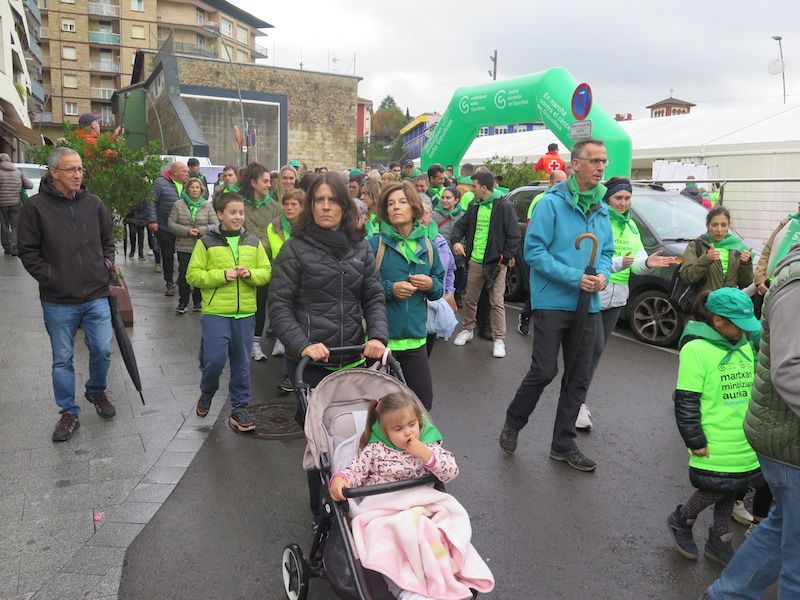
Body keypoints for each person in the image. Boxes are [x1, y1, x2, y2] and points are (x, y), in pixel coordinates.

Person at [268, 173, 388, 519]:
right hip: (311, 364)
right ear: (310, 206)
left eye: (332, 200)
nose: (325, 207)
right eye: (318, 200)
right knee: (322, 445)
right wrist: (302, 344)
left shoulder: (360, 248)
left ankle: (356, 504)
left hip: (351, 359)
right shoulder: (295, 248)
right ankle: (321, 512)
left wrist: (377, 336)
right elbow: (279, 307)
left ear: (344, 206)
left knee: (356, 436)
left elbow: (373, 298)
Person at [498, 138, 614, 472]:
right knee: (545, 370)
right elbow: (534, 252)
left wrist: (603, 276)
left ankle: (563, 444)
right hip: (552, 302)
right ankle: (513, 421)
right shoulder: (550, 204)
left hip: (588, 305)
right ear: (575, 164)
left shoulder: (601, 207)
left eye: (603, 161)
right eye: (594, 161)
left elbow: (606, 252)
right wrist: (576, 277)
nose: (601, 167)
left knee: (578, 376)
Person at [703, 244, 800, 598]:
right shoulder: (796, 284)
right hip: (788, 439)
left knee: (783, 527)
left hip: (781, 435)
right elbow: (789, 370)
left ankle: (726, 594)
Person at [17, 148, 116, 442]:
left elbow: (108, 240)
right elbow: (27, 251)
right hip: (58, 300)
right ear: (53, 173)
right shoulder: (35, 207)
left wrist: (105, 266)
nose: (77, 175)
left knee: (103, 349)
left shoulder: (94, 203)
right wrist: (52, 278)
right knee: (62, 359)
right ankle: (69, 412)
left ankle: (96, 391)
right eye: (71, 169)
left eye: (80, 169)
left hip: (96, 293)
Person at [329, 390, 463, 600]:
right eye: (398, 429)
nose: (408, 433)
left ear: (420, 422)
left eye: (412, 425)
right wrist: (341, 479)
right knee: (389, 544)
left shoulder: (428, 446)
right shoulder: (375, 450)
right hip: (383, 509)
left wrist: (425, 454)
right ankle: (405, 591)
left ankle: (439, 582)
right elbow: (355, 472)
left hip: (420, 506)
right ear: (384, 431)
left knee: (431, 534)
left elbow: (451, 472)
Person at [667, 288, 762, 566]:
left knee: (734, 485)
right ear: (718, 321)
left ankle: (720, 538)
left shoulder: (743, 344)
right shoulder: (696, 349)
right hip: (713, 436)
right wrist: (694, 439)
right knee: (716, 486)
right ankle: (682, 519)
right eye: (738, 325)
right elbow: (686, 400)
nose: (744, 331)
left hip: (743, 435)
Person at [575, 177, 678, 430]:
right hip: (596, 290)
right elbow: (590, 257)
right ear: (607, 198)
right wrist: (620, 262)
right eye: (618, 198)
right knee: (589, 349)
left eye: (627, 198)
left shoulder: (630, 225)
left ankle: (578, 399)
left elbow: (638, 262)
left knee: (596, 352)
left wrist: (648, 263)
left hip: (619, 295)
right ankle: (576, 403)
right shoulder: (598, 219)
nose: (623, 203)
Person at [186, 192, 271, 432]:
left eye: (241, 212)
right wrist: (221, 275)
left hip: (245, 313)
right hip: (216, 312)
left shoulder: (253, 242)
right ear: (220, 215)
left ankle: (240, 408)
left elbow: (266, 272)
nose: (238, 217)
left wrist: (250, 274)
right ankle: (207, 391)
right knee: (214, 359)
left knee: (242, 364)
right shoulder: (206, 242)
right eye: (233, 212)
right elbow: (192, 275)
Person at [370, 181, 444, 410]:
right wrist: (389, 289)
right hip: (381, 343)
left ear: (414, 207)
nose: (396, 207)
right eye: (390, 203)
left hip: (416, 341)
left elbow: (439, 290)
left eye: (402, 202)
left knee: (422, 405)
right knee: (380, 411)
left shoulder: (428, 246)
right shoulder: (374, 245)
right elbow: (360, 289)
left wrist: (431, 284)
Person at [450, 170, 521, 358]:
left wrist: (505, 257)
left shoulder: (504, 206)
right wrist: (456, 241)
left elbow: (514, 235)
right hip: (475, 260)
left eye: (474, 186)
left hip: (496, 263)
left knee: (496, 302)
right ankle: (467, 329)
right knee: (470, 298)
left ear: (483, 187)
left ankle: (499, 340)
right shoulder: (475, 205)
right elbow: (460, 226)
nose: (471, 190)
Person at [239, 162, 282, 361]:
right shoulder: (240, 204)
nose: (269, 185)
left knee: (265, 301)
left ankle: (260, 342)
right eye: (264, 181)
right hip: (243, 262)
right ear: (253, 182)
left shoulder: (274, 207)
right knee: (248, 304)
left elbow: (276, 233)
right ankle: (248, 342)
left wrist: (259, 247)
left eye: (269, 181)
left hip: (267, 263)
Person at [518, 169, 568, 336]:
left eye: (565, 181)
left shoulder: (567, 199)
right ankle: (525, 316)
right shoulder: (541, 199)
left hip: (559, 257)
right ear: (551, 183)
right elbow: (531, 227)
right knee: (538, 289)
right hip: (542, 255)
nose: (563, 185)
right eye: (559, 181)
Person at [265, 187, 305, 376]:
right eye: (286, 204)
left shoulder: (308, 229)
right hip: (281, 275)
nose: (289, 208)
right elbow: (271, 251)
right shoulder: (273, 227)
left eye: (294, 204)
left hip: (303, 278)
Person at [167, 177, 218, 314]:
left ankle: (197, 301)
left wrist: (201, 230)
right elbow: (171, 224)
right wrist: (187, 231)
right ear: (187, 189)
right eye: (192, 187)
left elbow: (215, 225)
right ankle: (183, 302)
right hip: (184, 245)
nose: (194, 190)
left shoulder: (207, 206)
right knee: (184, 273)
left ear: (201, 190)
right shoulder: (178, 204)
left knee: (200, 273)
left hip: (202, 245)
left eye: (197, 187)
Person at [678, 206, 753, 295]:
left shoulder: (737, 247)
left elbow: (745, 283)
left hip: (728, 300)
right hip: (704, 301)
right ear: (707, 226)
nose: (719, 230)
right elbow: (687, 277)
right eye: (714, 225)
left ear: (728, 226)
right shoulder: (696, 245)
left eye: (723, 225)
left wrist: (746, 264)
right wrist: (706, 259)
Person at [420, 196, 457, 356]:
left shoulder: (440, 241)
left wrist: (449, 292)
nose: (421, 217)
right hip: (415, 306)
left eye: (425, 213)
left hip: (435, 303)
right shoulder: (409, 241)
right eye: (417, 212)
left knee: (427, 350)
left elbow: (450, 270)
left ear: (431, 215)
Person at [147, 160, 189, 295]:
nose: (187, 174)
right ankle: (169, 282)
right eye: (184, 171)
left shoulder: (189, 184)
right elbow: (151, 201)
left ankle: (183, 281)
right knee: (168, 255)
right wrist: (153, 220)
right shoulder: (160, 183)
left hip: (184, 228)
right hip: (165, 226)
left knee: (184, 257)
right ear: (175, 172)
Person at [433, 186, 466, 305]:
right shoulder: (434, 215)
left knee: (456, 284)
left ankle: (456, 297)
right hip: (441, 259)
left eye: (448, 198)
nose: (444, 200)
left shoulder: (463, 215)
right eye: (442, 197)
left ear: (456, 200)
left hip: (458, 259)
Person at [0, 152, 33, 256]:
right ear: (9, 160)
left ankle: (7, 246)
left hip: (2, 204)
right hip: (16, 203)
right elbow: (30, 185)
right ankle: (15, 246)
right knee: (15, 226)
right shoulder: (18, 172)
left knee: (4, 225)